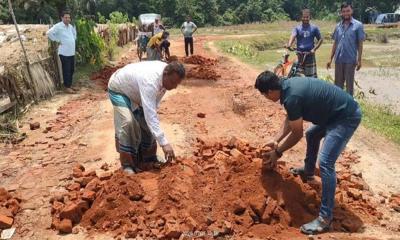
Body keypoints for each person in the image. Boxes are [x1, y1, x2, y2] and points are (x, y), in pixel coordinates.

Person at [255, 71, 362, 235]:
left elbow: (296, 133)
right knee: (312, 134)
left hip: (345, 117)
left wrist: (277, 153)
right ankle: (308, 171)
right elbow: (292, 117)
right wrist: (276, 139)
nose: (266, 98)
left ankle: (324, 220)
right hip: (333, 114)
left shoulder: (291, 96)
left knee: (326, 163)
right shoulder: (288, 86)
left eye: (264, 95)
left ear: (270, 92)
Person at [108, 61, 186, 174]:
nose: (174, 87)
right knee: (128, 122)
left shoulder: (165, 79)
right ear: (165, 74)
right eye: (173, 82)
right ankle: (127, 165)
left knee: (146, 123)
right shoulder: (150, 81)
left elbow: (151, 109)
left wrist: (147, 119)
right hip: (119, 90)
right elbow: (151, 115)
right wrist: (164, 143)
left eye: (177, 84)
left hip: (136, 94)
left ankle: (148, 158)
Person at [327, 2, 365, 96]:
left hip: (350, 60)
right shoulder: (338, 26)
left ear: (351, 11)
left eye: (348, 11)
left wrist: (359, 60)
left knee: (349, 88)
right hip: (338, 60)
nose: (346, 13)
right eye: (343, 11)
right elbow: (335, 43)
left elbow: (360, 44)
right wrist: (330, 59)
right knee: (337, 87)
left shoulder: (358, 25)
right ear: (341, 13)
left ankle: (349, 108)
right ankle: (338, 108)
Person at [286, 8, 323, 78]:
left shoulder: (314, 28)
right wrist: (289, 44)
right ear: (301, 17)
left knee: (311, 78)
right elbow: (293, 35)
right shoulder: (297, 28)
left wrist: (314, 49)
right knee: (297, 77)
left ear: (310, 17)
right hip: (300, 56)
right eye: (304, 17)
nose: (305, 19)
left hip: (310, 56)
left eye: (307, 17)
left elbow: (321, 39)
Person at [47, 10, 77, 94]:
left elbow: (74, 34)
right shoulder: (58, 26)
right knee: (66, 69)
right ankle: (67, 87)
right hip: (64, 52)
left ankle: (69, 85)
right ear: (62, 18)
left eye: (69, 17)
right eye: (66, 17)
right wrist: (57, 40)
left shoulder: (70, 26)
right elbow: (49, 33)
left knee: (71, 69)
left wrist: (72, 40)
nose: (67, 19)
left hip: (71, 52)